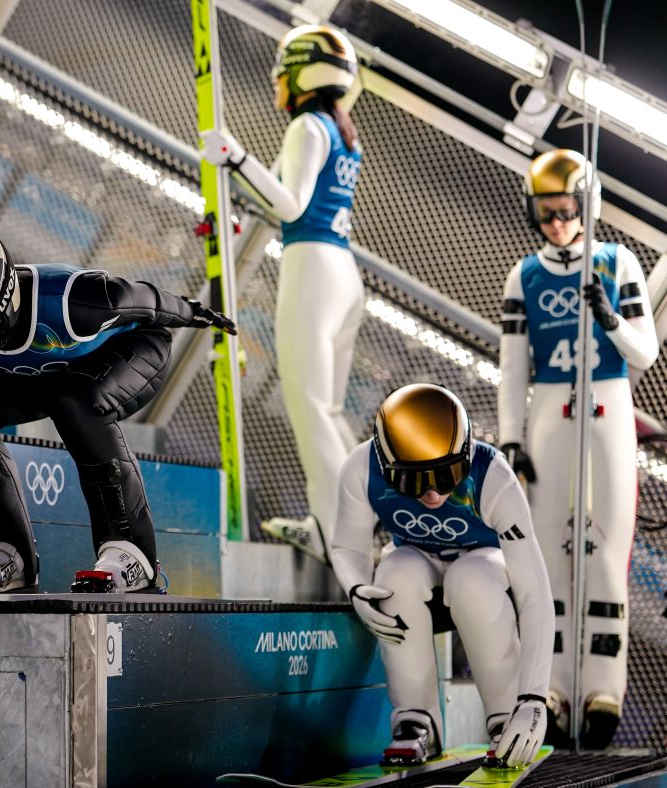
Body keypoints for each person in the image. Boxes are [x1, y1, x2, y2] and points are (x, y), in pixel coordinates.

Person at [0, 220, 237, 593]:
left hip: (135, 349)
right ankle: (7, 553)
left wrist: (196, 312)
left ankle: (132, 554)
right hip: (55, 371)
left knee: (78, 401)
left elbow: (148, 301)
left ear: (1, 301)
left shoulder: (75, 302)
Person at [497, 149, 659, 748]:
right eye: (547, 211)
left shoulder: (617, 263)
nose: (558, 223)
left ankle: (603, 690)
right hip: (548, 412)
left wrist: (610, 318)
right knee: (546, 555)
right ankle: (552, 687)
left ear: (588, 207)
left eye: (568, 210)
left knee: (608, 551)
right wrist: (511, 436)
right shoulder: (524, 275)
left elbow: (645, 352)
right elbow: (513, 366)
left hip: (609, 408)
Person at [201, 24, 363, 563]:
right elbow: (280, 196)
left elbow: (291, 205)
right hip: (343, 270)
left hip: (312, 266)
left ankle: (336, 537)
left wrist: (233, 156)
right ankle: (354, 524)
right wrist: (240, 173)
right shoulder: (341, 130)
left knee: (311, 408)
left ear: (302, 75)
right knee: (329, 411)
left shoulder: (307, 126)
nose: (275, 83)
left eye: (281, 73)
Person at [331, 384, 554, 767]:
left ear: (466, 455)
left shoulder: (493, 476)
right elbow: (347, 547)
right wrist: (356, 587)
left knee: (472, 580)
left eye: (447, 474)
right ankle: (415, 718)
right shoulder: (361, 468)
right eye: (414, 481)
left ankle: (504, 716)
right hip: (415, 568)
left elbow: (534, 592)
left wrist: (532, 699)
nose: (433, 495)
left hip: (484, 573)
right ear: (386, 464)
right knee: (394, 575)